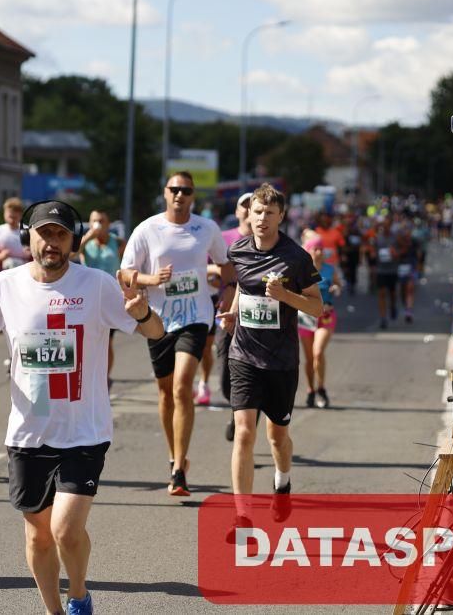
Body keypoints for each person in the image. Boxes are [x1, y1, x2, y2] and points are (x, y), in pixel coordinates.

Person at [0, 200, 164, 615]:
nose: (51, 242)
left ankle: (79, 594)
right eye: (44, 233)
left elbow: (156, 332)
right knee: (38, 537)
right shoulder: (6, 285)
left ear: (73, 241)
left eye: (60, 234)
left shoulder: (97, 285)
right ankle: (54, 610)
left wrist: (143, 313)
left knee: (66, 531)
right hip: (28, 431)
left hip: (84, 430)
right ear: (28, 237)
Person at [217, 184, 322, 533]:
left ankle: (282, 480)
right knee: (244, 433)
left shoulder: (296, 257)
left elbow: (317, 307)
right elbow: (243, 288)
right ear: (249, 214)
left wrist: (284, 295)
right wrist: (233, 314)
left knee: (277, 437)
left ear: (281, 216)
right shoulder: (238, 250)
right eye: (257, 212)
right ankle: (243, 517)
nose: (262, 218)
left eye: (269, 213)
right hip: (243, 355)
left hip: (281, 361)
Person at [120, 171, 234, 496]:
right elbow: (124, 273)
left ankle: (179, 469)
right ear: (165, 193)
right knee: (165, 392)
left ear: (193, 195)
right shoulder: (148, 229)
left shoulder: (206, 228)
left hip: (196, 315)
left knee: (183, 386)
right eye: (174, 189)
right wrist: (152, 280)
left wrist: (228, 290)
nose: (180, 195)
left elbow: (225, 264)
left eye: (186, 190)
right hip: (158, 319)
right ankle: (174, 457)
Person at [218, 192, 252, 441]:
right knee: (225, 376)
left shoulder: (268, 242)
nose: (250, 210)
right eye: (245, 206)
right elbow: (206, 265)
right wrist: (225, 278)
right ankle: (236, 409)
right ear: (238, 211)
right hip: (227, 313)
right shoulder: (224, 238)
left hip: (254, 318)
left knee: (252, 373)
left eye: (255, 206)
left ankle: (244, 423)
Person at [79, 209, 125, 384]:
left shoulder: (118, 242)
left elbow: (128, 267)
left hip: (110, 299)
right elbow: (72, 254)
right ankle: (88, 375)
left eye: (101, 221)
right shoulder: (85, 243)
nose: (97, 224)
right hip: (88, 298)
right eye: (94, 221)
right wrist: (88, 237)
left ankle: (105, 378)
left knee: (107, 340)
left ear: (108, 224)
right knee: (87, 340)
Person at [297, 236, 342, 408]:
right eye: (315, 249)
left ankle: (321, 388)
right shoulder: (301, 270)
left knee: (318, 352)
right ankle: (311, 390)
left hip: (326, 316)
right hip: (306, 317)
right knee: (309, 359)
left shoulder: (329, 269)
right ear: (307, 251)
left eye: (321, 249)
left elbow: (338, 285)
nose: (318, 252)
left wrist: (335, 288)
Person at [369, 215, 398, 329]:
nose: (385, 227)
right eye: (383, 225)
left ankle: (393, 306)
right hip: (381, 270)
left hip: (392, 269)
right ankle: (383, 318)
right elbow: (372, 250)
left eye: (387, 225)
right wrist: (373, 253)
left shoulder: (395, 237)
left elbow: (402, 249)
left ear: (390, 225)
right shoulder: (377, 238)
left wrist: (396, 253)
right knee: (381, 293)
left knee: (392, 293)